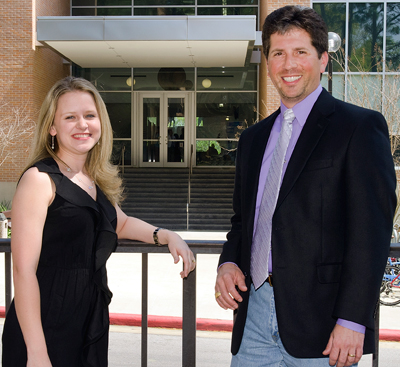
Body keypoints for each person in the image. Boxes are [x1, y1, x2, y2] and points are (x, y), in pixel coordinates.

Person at [214, 5, 396, 367]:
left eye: (300, 52)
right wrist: (229, 261)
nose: (288, 64)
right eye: (278, 53)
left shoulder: (359, 127)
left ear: (323, 59)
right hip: (254, 320)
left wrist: (353, 319)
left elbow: (371, 233)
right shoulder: (252, 139)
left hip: (324, 327)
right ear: (267, 63)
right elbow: (242, 221)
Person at [1, 76, 196, 367]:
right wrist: (37, 352)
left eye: (90, 115)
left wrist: (166, 235)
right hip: (45, 324)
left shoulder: (93, 179)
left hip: (88, 319)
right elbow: (24, 271)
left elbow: (120, 223)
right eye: (70, 117)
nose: (83, 124)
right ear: (52, 127)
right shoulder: (39, 180)